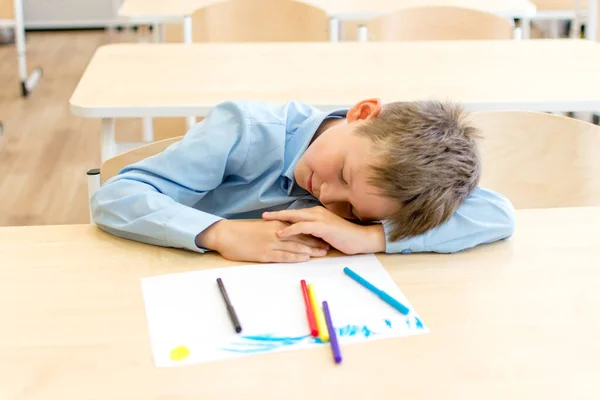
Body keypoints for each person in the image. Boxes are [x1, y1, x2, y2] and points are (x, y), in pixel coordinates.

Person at [90, 98, 515, 263]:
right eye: (344, 174)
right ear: (363, 114)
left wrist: (370, 238)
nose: (328, 197)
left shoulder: (393, 190)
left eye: (352, 210)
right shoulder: (244, 130)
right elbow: (117, 197)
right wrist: (218, 232)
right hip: (164, 269)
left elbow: (497, 215)